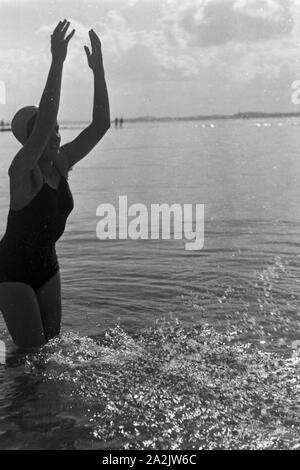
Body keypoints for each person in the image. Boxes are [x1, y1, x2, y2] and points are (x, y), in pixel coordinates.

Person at [0, 19, 110, 350]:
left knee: (51, 353)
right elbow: (46, 118)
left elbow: (101, 124)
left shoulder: (61, 164)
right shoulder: (22, 172)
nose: (56, 133)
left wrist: (98, 69)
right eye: (46, 131)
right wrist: (57, 60)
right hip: (12, 271)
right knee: (31, 358)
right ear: (29, 140)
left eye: (59, 128)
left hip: (48, 266)